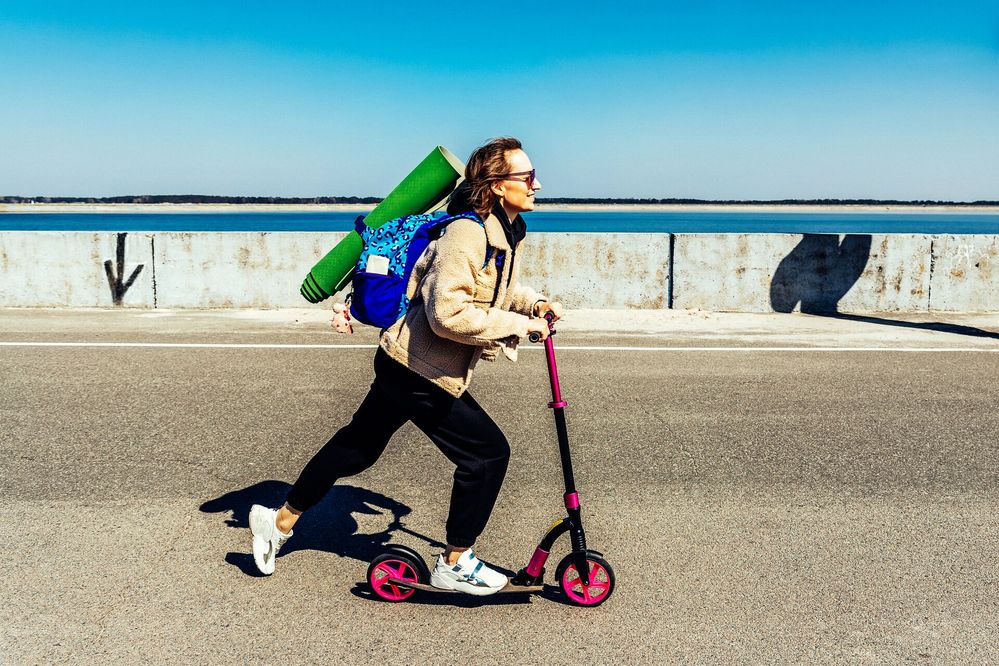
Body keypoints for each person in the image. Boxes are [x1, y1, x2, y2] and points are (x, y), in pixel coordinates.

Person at [249, 137, 564, 595]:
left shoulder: (506, 231)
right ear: (497, 186)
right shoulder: (468, 233)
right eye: (528, 177)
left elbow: (494, 288)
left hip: (404, 359)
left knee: (357, 448)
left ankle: (275, 522)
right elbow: (448, 313)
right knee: (486, 454)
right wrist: (518, 325)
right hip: (420, 367)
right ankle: (455, 562)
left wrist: (533, 303)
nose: (538, 184)